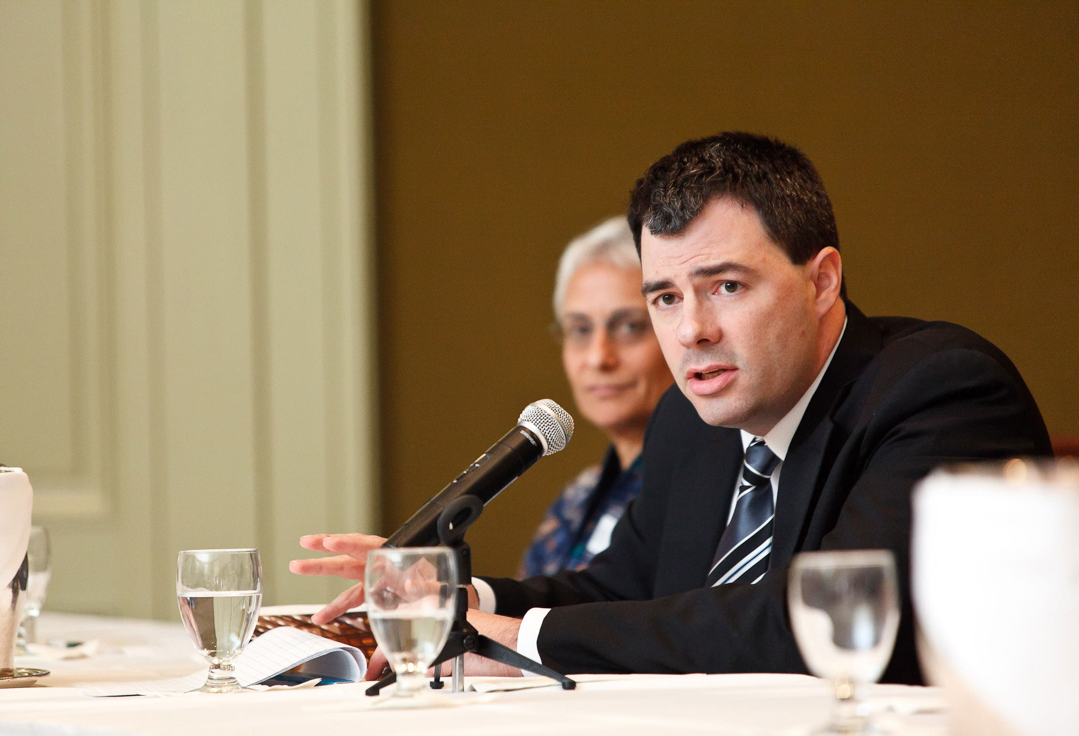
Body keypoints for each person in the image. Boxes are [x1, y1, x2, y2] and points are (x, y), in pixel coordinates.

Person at [292, 132, 1050, 684]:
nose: (691, 332)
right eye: (664, 297)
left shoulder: (941, 390)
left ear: (822, 282)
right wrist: (462, 599)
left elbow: (819, 621)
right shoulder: (692, 423)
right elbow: (617, 588)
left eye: (726, 286)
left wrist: (527, 636)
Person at [518, 217, 674, 579]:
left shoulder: (717, 492)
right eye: (580, 330)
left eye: (629, 326)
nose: (598, 357)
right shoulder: (577, 499)